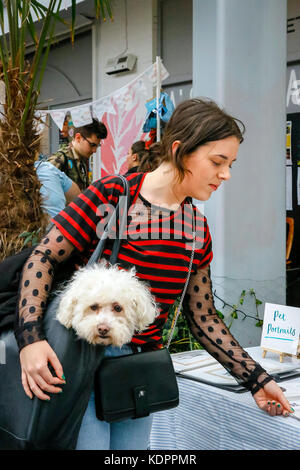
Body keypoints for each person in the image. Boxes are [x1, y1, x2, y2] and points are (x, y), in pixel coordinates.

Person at [15, 98, 294, 451]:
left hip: (136, 376)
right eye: (217, 162)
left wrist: (256, 379)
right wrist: (30, 340)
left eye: (230, 164)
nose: (226, 174)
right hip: (81, 362)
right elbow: (43, 258)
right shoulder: (114, 196)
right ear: (179, 151)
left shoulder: (195, 227)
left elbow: (203, 316)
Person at [47, 118, 107, 190]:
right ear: (78, 137)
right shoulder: (61, 159)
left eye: (97, 146)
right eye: (92, 145)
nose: (94, 150)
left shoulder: (82, 160)